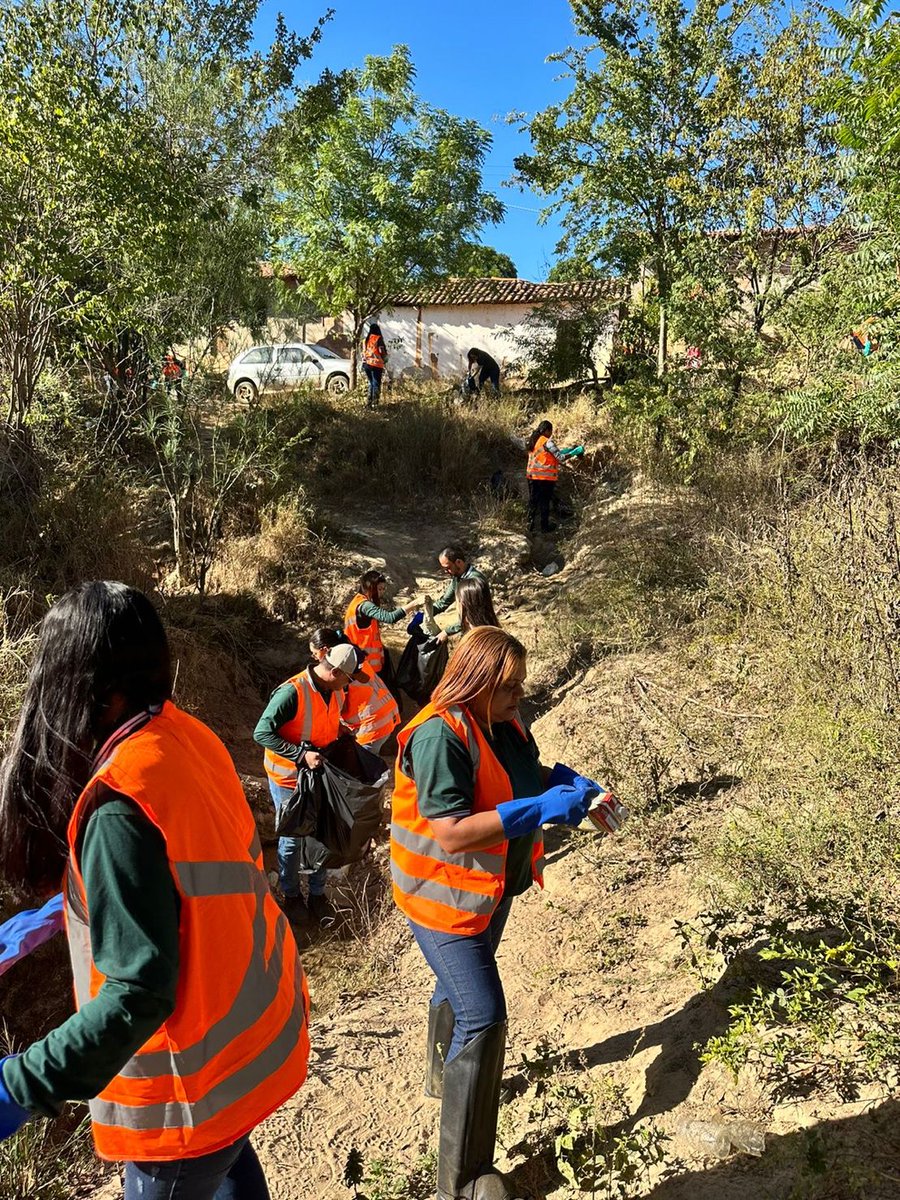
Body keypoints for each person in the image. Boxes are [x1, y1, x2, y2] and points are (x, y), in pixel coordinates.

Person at [0, 582, 309, 1198]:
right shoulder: (186, 739)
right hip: (249, 1051)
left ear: (91, 694)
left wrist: (19, 1087)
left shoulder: (116, 807)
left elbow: (137, 993)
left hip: (183, 1104)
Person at [390, 626, 609, 1200]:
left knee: (461, 991)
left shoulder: (503, 721)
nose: (519, 696)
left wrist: (568, 785)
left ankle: (442, 1078)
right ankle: (462, 1182)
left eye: (519, 685)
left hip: (487, 893)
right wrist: (539, 808)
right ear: (477, 682)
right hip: (442, 900)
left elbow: (521, 777)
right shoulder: (439, 735)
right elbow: (453, 831)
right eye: (508, 687)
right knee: (484, 1014)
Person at [253, 640, 358, 924]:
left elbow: (325, 721)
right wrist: (300, 754)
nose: (349, 685)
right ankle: (292, 896)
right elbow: (262, 732)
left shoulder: (335, 692)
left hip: (317, 776)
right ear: (335, 671)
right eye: (348, 678)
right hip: (288, 780)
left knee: (320, 836)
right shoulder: (292, 692)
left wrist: (341, 732)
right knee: (291, 840)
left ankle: (317, 894)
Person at [344, 569, 420, 679]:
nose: (382, 592)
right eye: (379, 589)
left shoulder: (359, 602)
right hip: (364, 664)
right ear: (370, 587)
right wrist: (413, 604)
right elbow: (389, 617)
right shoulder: (365, 605)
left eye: (384, 589)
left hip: (364, 662)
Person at [525, 419, 583, 535]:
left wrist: (568, 449)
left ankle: (529, 526)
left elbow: (549, 455)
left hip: (532, 476)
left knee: (533, 502)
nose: (551, 434)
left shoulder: (533, 441)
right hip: (545, 478)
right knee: (544, 502)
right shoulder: (547, 442)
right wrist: (575, 452)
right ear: (547, 430)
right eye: (550, 431)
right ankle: (544, 527)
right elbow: (560, 457)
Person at [342, 647, 402, 754]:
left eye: (315, 653)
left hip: (373, 727)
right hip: (387, 716)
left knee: (365, 766)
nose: (315, 658)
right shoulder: (358, 663)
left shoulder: (343, 673)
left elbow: (340, 707)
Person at [432, 546, 487, 642]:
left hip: (480, 633)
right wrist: (424, 614)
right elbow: (444, 602)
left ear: (458, 562)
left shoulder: (475, 581)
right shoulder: (457, 578)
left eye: (448, 568)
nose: (446, 572)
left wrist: (447, 632)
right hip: (468, 631)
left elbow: (472, 616)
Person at [362, 322, 387, 409]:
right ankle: (375, 404)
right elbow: (381, 351)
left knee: (371, 383)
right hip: (376, 364)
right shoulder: (378, 339)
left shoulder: (366, 339)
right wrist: (384, 358)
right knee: (376, 384)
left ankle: (368, 403)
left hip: (366, 364)